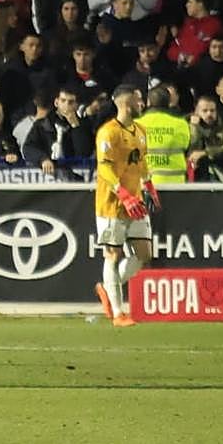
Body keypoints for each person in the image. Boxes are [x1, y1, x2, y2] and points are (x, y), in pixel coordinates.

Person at [93, 85, 159, 327]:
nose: (142, 103)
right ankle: (119, 313)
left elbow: (140, 162)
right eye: (139, 99)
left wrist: (149, 185)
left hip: (136, 201)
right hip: (112, 203)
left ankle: (107, 289)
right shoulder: (108, 132)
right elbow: (104, 168)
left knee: (144, 253)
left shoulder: (140, 131)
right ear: (126, 102)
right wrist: (123, 193)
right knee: (112, 253)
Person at [136, 85, 190, 184]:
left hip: (145, 183)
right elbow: (185, 145)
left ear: (148, 102)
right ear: (169, 102)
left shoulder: (136, 124)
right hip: (175, 182)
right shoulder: (181, 123)